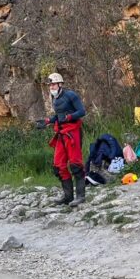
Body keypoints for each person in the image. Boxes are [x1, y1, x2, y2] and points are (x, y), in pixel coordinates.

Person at [36, 73, 87, 207]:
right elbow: (59, 117)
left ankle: (81, 196)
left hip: (73, 132)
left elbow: (82, 111)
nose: (51, 87)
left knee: (75, 164)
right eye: (50, 85)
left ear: (60, 84)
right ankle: (68, 197)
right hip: (61, 133)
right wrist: (47, 121)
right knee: (58, 166)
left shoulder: (71, 95)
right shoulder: (55, 98)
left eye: (53, 84)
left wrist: (69, 117)